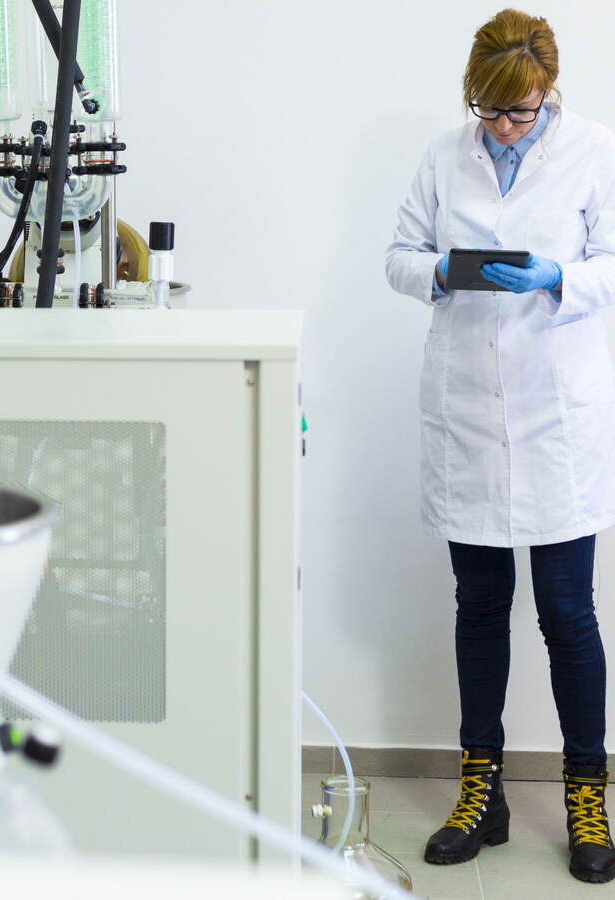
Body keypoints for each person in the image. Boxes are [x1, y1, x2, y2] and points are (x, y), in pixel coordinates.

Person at [385, 7, 615, 884]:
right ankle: (482, 791)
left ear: (548, 91)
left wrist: (561, 276)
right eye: (490, 112)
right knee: (479, 605)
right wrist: (442, 269)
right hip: (470, 413)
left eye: (520, 112)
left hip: (558, 415)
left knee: (568, 612)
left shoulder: (594, 148)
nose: (504, 127)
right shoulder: (447, 153)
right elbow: (399, 254)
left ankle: (585, 792)